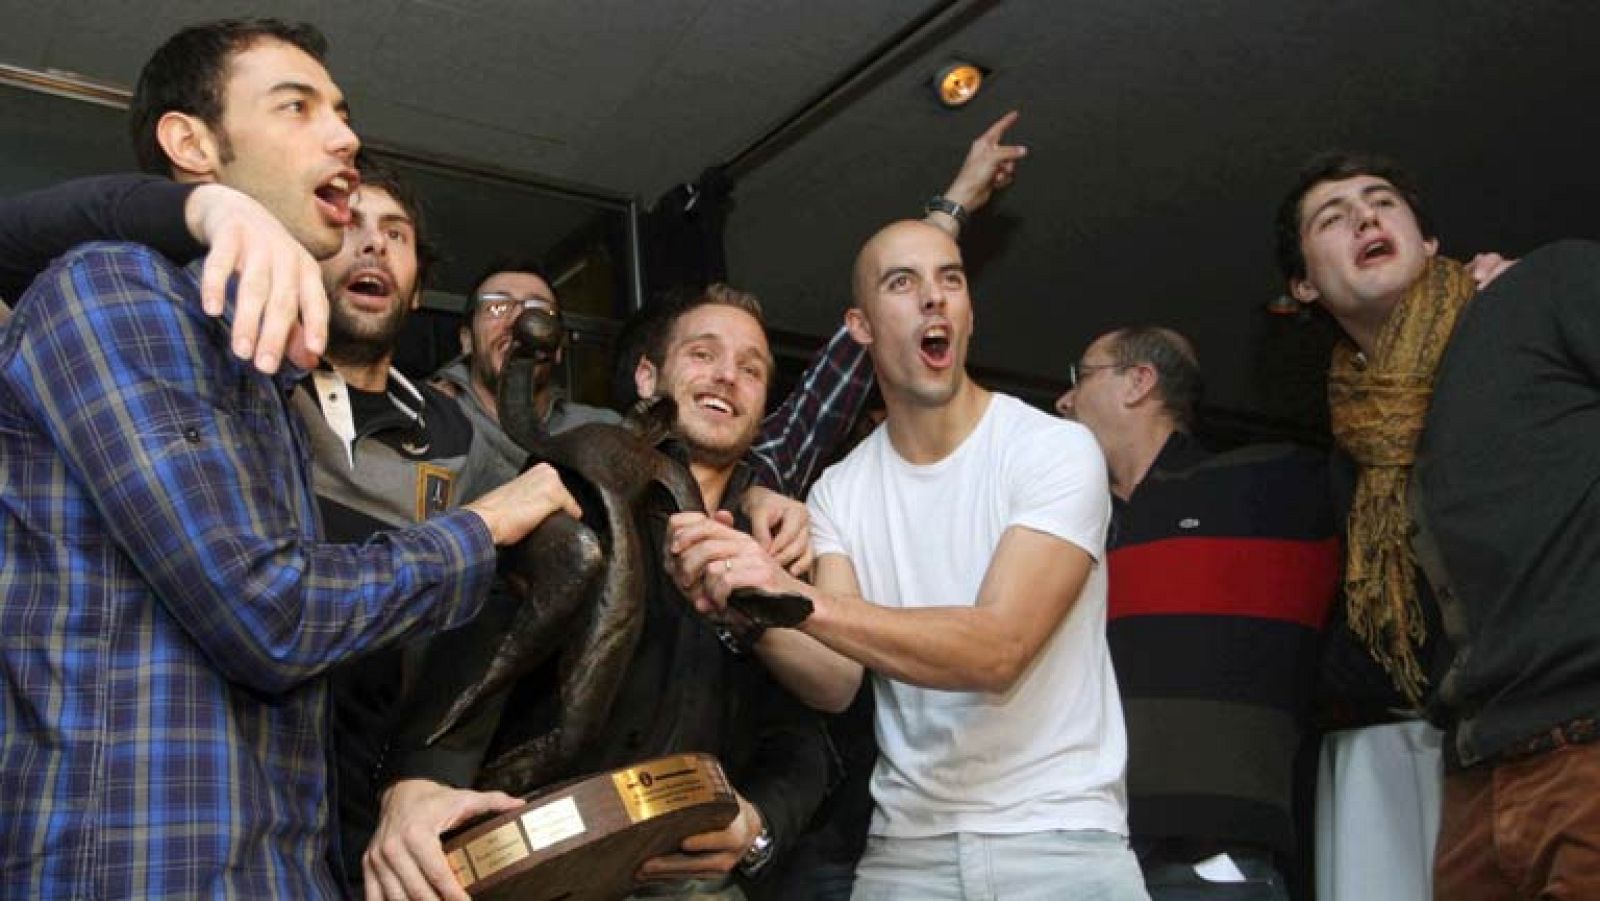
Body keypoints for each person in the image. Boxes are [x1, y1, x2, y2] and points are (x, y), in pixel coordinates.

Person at [0, 19, 580, 897]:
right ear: (192, 142)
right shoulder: (115, 291)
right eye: (297, 107)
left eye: (342, 112)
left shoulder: (252, 371)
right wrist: (482, 529)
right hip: (140, 863)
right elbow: (267, 611)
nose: (345, 137)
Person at [668, 219, 1146, 900]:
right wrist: (743, 596)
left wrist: (790, 593)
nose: (934, 298)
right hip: (906, 856)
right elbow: (834, 677)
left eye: (950, 279)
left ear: (969, 312)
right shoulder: (841, 488)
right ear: (860, 326)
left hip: (1057, 841)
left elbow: (998, 647)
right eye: (903, 282)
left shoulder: (1053, 450)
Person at [366, 285, 833, 901]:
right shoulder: (568, 494)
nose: (727, 376)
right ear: (647, 378)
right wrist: (419, 784)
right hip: (541, 861)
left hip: (692, 879)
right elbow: (478, 637)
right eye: (703, 354)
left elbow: (802, 736)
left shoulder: (774, 552)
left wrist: (758, 828)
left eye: (751, 369)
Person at [1279, 152, 1600, 899]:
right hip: (1473, 780)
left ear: (1428, 242)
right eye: (1332, 217)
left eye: (1382, 200)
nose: (1364, 217)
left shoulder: (1540, 291)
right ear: (1302, 285)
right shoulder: (1359, 445)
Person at [1056, 326, 1339, 899]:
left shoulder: (1267, 483)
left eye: (1079, 378)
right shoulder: (1066, 531)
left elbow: (1395, 459)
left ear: (1138, 382)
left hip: (1212, 857)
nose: (1062, 401)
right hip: (1077, 855)